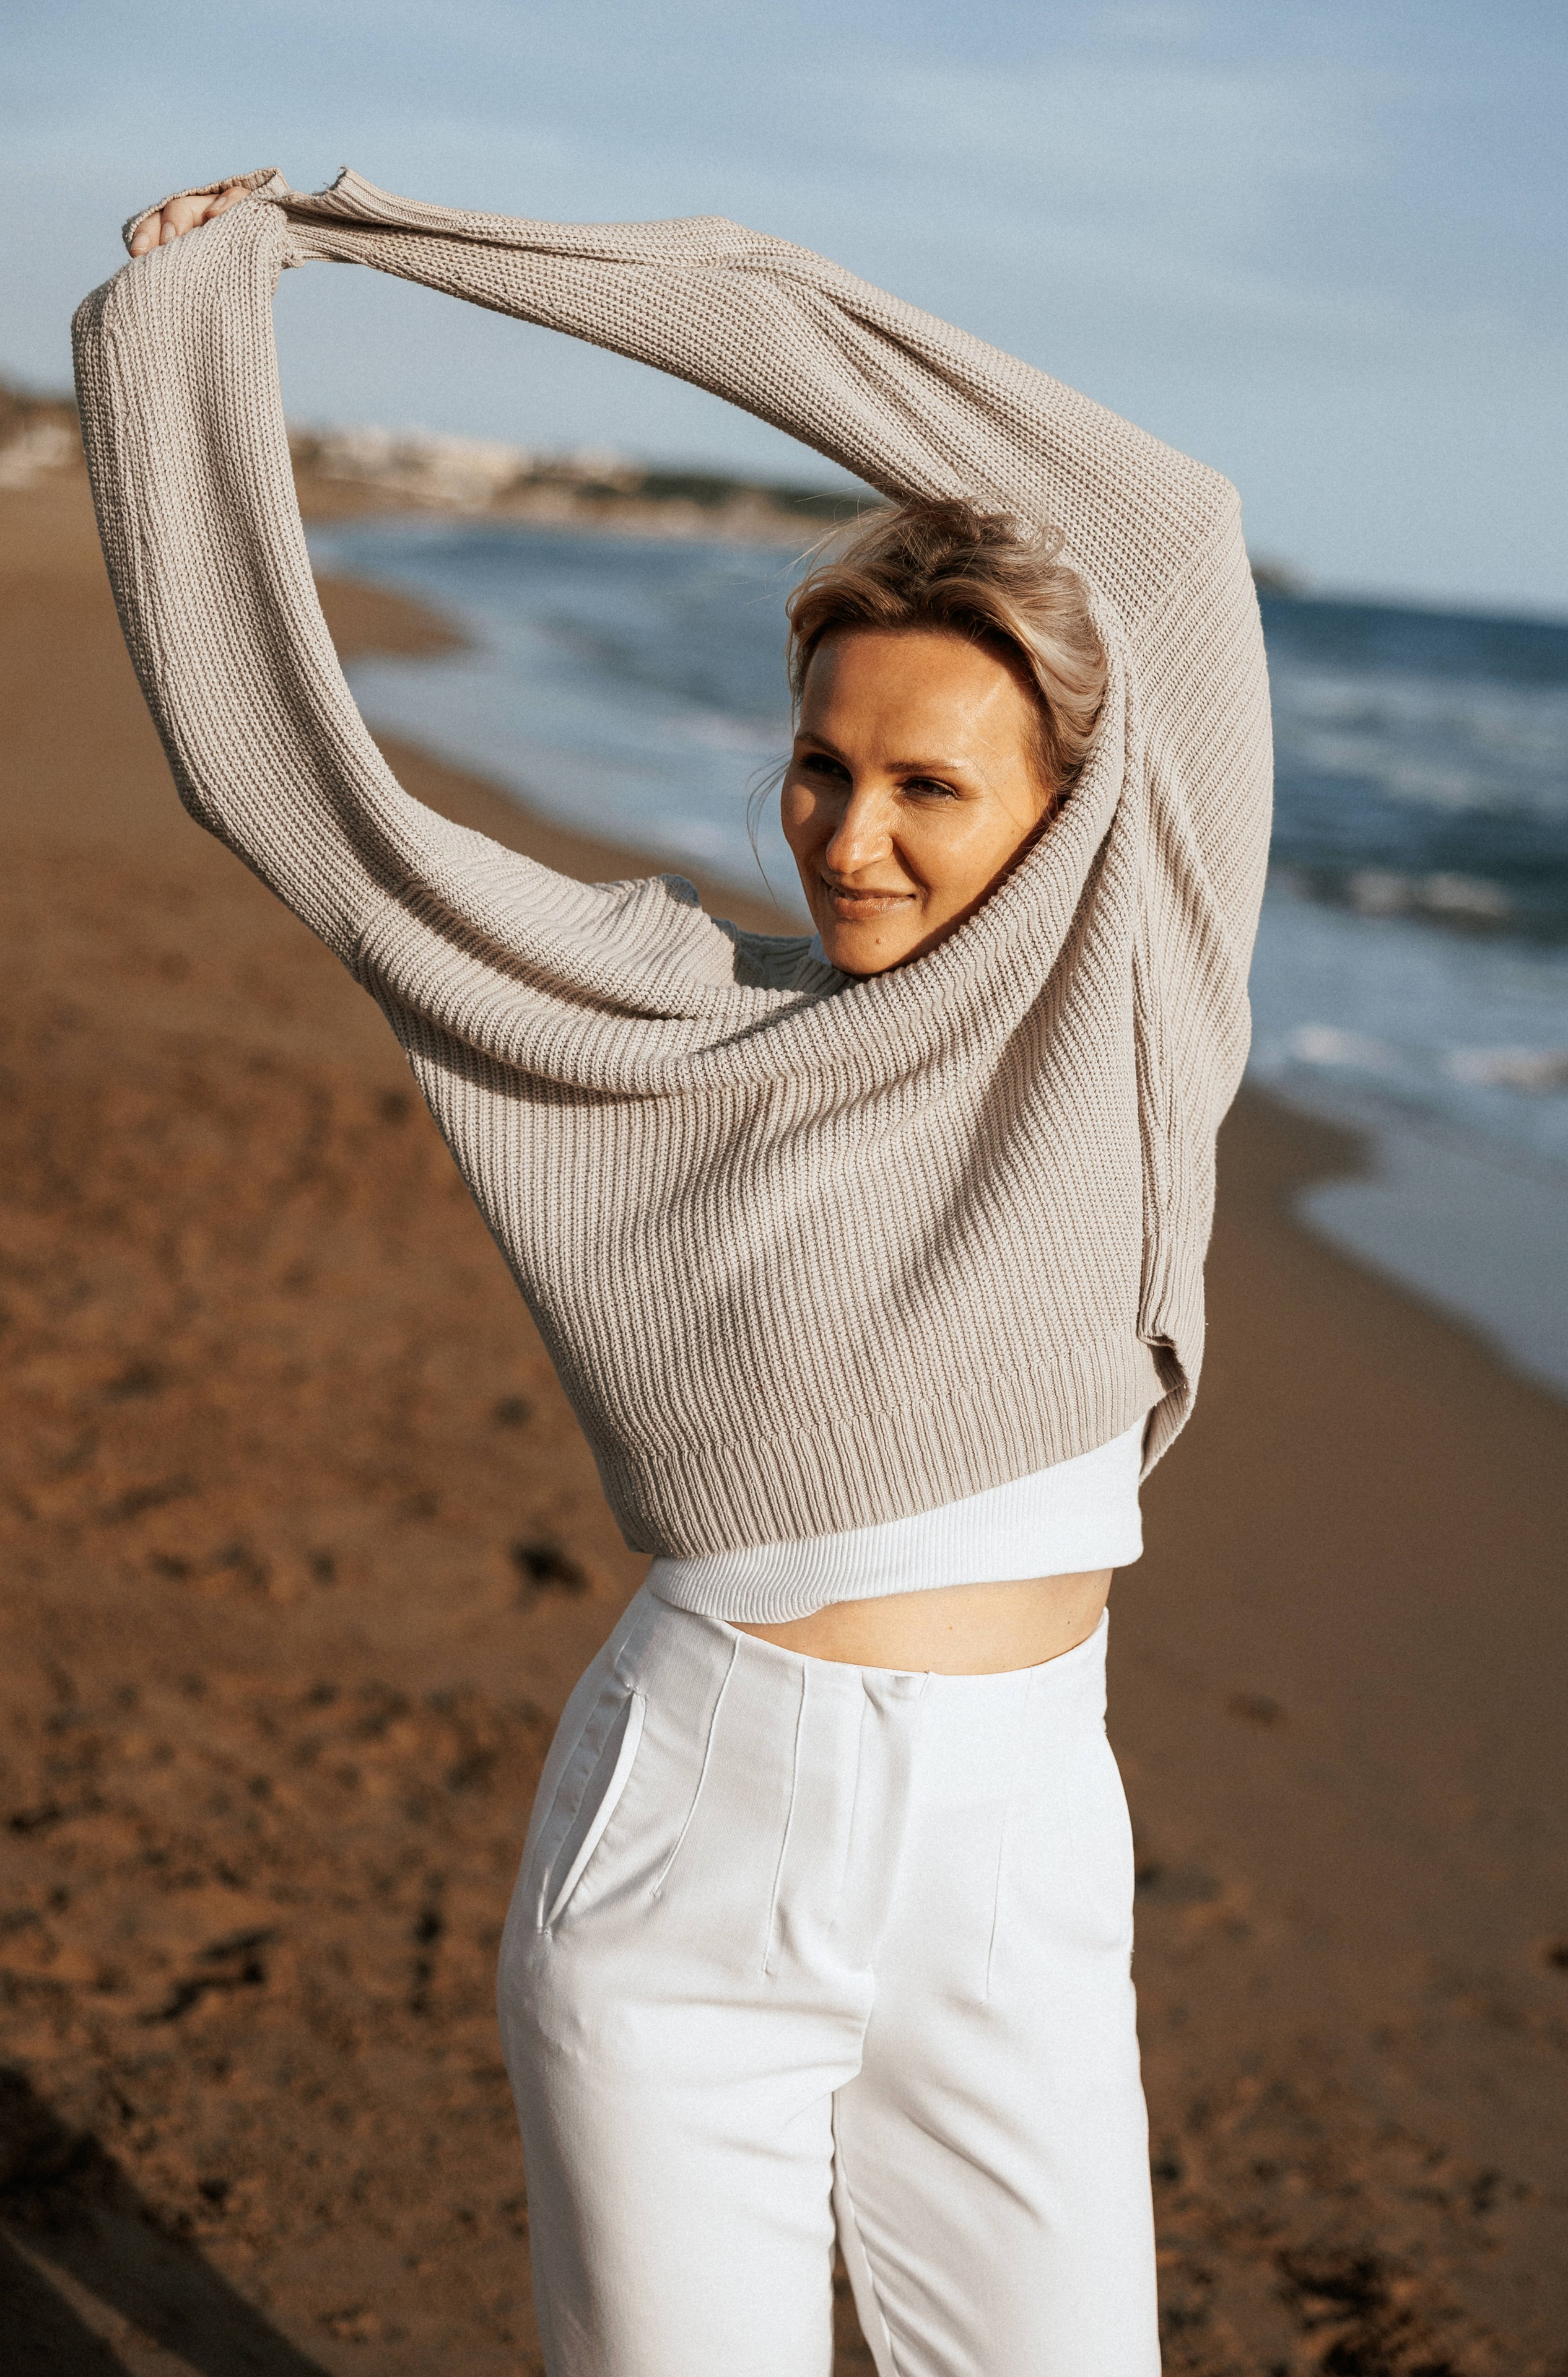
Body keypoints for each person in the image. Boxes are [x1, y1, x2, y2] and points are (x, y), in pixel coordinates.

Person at [90, 169, 1272, 2376]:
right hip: (692, 1834)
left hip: (1023, 1851)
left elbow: (1165, 525)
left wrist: (385, 234)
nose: (850, 834)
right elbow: (296, 794)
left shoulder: (1138, 989)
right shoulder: (653, 1023)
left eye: (933, 783)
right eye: (822, 768)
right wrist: (200, 328)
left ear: (1077, 815)